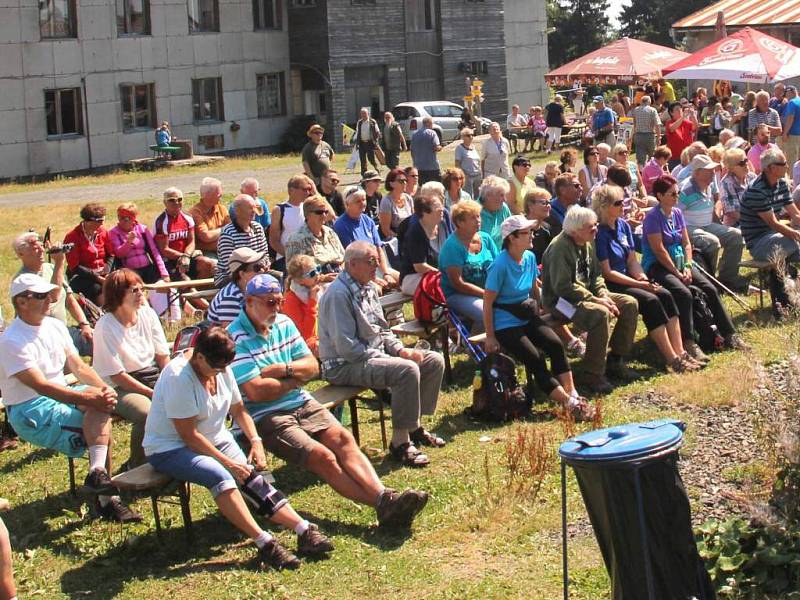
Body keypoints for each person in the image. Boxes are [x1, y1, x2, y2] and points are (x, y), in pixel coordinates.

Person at [230, 273, 429, 527]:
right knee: (323, 457)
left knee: (343, 440)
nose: (277, 308)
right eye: (270, 302)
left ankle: (384, 497)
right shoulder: (235, 338)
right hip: (265, 415)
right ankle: (384, 504)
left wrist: (282, 370)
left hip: (300, 401)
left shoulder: (283, 323)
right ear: (249, 302)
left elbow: (312, 367)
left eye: (279, 301)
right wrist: (296, 378)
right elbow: (257, 392)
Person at [143, 326, 333, 570]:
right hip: (170, 447)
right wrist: (229, 463)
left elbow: (238, 408)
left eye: (224, 367)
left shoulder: (220, 366)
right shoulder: (178, 377)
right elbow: (189, 436)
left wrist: (256, 441)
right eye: (217, 368)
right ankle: (265, 543)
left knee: (252, 478)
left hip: (213, 437)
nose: (222, 372)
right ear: (199, 357)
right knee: (220, 475)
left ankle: (303, 529)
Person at [0, 273, 139, 522]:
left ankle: (97, 477)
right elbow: (40, 386)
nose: (50, 300)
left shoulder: (54, 326)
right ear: (21, 302)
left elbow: (79, 367)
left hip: (59, 393)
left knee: (100, 407)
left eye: (51, 295)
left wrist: (104, 391)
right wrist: (91, 399)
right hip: (29, 409)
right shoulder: (11, 341)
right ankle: (106, 500)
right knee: (99, 428)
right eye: (41, 296)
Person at [319, 242, 446, 467]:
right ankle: (400, 443)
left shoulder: (367, 287)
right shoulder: (338, 295)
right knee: (405, 369)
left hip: (369, 356)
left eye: (377, 261)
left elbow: (383, 330)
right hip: (342, 365)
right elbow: (347, 348)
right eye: (371, 262)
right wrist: (391, 359)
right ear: (352, 264)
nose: (376, 266)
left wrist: (400, 349)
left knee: (433, 361)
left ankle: (414, 427)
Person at [483, 215, 593, 416]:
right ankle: (568, 403)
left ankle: (573, 393)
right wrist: (490, 336)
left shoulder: (530, 258)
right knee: (534, 357)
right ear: (512, 238)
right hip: (505, 323)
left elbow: (534, 289)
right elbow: (488, 302)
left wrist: (541, 311)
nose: (532, 235)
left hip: (526, 316)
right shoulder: (499, 265)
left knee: (555, 344)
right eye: (527, 232)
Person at [592, 185, 700, 373]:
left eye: (624, 202)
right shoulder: (599, 233)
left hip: (630, 277)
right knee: (650, 301)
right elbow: (607, 272)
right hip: (612, 283)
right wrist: (640, 284)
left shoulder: (623, 226)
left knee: (665, 294)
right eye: (618, 203)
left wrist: (644, 279)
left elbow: (632, 260)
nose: (624, 206)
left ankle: (681, 351)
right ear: (604, 206)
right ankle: (671, 358)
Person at [643, 175, 746, 362]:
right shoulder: (652, 218)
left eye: (678, 193)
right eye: (672, 194)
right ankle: (689, 342)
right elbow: (658, 250)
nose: (677, 197)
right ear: (659, 195)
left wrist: (688, 266)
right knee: (684, 293)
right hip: (659, 265)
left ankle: (730, 334)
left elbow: (687, 244)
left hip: (682, 262)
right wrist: (677, 272)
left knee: (710, 288)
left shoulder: (676, 214)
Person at [541, 207, 639, 394]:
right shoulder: (559, 248)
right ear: (575, 230)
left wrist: (602, 295)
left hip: (586, 294)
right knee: (599, 314)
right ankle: (592, 373)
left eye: (595, 225)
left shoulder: (587, 242)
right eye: (590, 227)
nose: (596, 229)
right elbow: (562, 287)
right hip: (560, 302)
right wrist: (596, 300)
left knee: (628, 303)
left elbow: (596, 276)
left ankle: (615, 359)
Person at [92, 269, 169, 469]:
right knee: (147, 412)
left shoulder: (147, 313)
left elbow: (162, 355)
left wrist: (170, 381)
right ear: (118, 295)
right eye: (134, 290)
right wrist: (152, 393)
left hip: (149, 374)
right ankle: (136, 466)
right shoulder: (105, 326)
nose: (141, 294)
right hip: (117, 386)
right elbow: (117, 375)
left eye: (141, 289)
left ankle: (169, 457)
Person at [740, 147, 800, 319]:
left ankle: (783, 303)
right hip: (759, 243)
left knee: (786, 249)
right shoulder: (756, 191)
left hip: (775, 238)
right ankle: (783, 304)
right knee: (791, 243)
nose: (787, 166)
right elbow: (773, 223)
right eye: (783, 164)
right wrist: (796, 235)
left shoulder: (781, 184)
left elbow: (794, 213)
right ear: (771, 168)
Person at [13, 231, 93, 357]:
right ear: (20, 254)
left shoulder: (50, 268)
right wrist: (60, 263)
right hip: (40, 337)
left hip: (62, 329)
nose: (41, 250)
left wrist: (84, 324)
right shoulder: (23, 280)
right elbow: (52, 298)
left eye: (41, 246)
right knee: (70, 363)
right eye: (35, 248)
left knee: (100, 342)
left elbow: (70, 300)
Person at [679, 154, 746, 291]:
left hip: (707, 225)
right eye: (708, 170)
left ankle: (728, 280)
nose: (712, 173)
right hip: (688, 227)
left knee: (736, 235)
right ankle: (708, 282)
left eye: (712, 170)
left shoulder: (708, 186)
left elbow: (711, 211)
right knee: (711, 241)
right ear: (697, 173)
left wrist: (721, 227)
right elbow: (674, 215)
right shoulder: (686, 190)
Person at [438, 199, 498, 331]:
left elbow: (498, 266)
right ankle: (476, 348)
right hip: (457, 295)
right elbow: (458, 283)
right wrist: (487, 295)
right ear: (460, 222)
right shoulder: (452, 246)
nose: (478, 220)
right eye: (472, 218)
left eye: (478, 216)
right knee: (485, 313)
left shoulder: (485, 238)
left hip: (488, 291)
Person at [334, 186, 400, 288]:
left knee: (401, 279)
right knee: (377, 289)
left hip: (377, 266)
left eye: (363, 199)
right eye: (357, 201)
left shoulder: (368, 221)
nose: (362, 203)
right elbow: (353, 257)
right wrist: (374, 278)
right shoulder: (341, 225)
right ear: (347, 205)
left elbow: (378, 248)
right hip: (359, 271)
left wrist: (386, 273)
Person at [154, 187, 215, 282]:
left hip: (187, 256)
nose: (176, 203)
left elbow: (191, 242)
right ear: (165, 203)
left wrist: (186, 256)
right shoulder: (161, 222)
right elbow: (164, 250)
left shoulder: (187, 217)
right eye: (172, 200)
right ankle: (192, 293)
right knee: (185, 280)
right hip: (170, 261)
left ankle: (199, 291)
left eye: (179, 199)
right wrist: (182, 257)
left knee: (209, 264)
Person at [63, 203, 114, 305]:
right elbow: (75, 266)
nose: (102, 224)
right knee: (98, 289)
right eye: (100, 221)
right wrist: (98, 278)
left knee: (120, 284)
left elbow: (111, 254)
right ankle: (104, 313)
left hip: (102, 273)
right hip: (80, 276)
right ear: (89, 221)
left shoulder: (103, 232)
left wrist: (107, 269)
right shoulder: (72, 237)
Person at [109, 203, 170, 285]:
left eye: (127, 218)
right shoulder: (114, 232)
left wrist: (164, 273)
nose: (124, 221)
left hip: (147, 268)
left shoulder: (142, 229)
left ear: (133, 218)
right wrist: (129, 242)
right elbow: (119, 254)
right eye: (120, 217)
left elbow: (154, 252)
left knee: (161, 284)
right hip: (129, 271)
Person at [284, 195, 345, 277]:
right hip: (315, 283)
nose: (324, 215)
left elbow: (343, 257)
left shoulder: (330, 232)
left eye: (326, 212)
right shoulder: (297, 239)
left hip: (339, 276)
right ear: (307, 215)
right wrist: (322, 278)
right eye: (319, 212)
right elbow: (294, 273)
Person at [215, 194, 269, 287]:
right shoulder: (228, 233)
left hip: (257, 272)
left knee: (278, 278)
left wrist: (265, 266)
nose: (254, 211)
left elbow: (265, 254)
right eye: (250, 208)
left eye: (254, 207)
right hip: (232, 277)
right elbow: (229, 267)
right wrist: (253, 273)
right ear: (238, 211)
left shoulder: (258, 228)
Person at [207, 248, 268, 326]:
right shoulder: (231, 297)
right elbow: (230, 333)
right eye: (257, 267)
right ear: (242, 274)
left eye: (262, 265)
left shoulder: (253, 289)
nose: (262, 270)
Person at [398, 193, 445, 296]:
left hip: (435, 275)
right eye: (437, 208)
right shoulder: (415, 232)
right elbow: (419, 266)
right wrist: (444, 275)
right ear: (425, 213)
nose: (442, 210)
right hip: (413, 277)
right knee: (445, 286)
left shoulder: (442, 226)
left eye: (441, 206)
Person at [269, 174, 316, 272]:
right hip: (285, 260)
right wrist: (291, 257)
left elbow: (331, 216)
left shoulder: (309, 208)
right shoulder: (279, 210)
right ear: (291, 190)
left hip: (309, 259)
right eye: (304, 189)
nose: (307, 193)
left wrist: (316, 193)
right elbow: (274, 241)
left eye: (309, 189)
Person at [284, 255, 322, 356]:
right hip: (305, 344)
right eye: (312, 273)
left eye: (318, 269)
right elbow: (307, 334)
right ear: (300, 281)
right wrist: (312, 302)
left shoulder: (315, 287)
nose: (317, 274)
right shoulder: (290, 300)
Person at [189, 177, 230, 261]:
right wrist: (224, 229)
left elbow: (232, 229)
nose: (221, 194)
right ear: (208, 195)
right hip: (206, 252)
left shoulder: (221, 208)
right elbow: (206, 236)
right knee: (215, 264)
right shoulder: (195, 212)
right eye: (218, 192)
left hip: (224, 248)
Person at [719, 147, 756, 227]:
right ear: (731, 168)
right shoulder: (727, 183)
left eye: (746, 160)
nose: (746, 164)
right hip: (737, 225)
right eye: (742, 163)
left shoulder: (752, 177)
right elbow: (734, 213)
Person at [379, 169, 415, 240]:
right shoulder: (386, 201)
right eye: (401, 181)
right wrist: (401, 239)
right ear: (391, 183)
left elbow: (414, 220)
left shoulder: (408, 198)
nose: (404, 183)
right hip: (395, 238)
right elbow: (386, 230)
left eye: (405, 181)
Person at [479, 175, 512, 248]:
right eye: (501, 195)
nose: (504, 199)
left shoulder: (503, 208)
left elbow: (511, 232)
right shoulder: (474, 212)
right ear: (488, 195)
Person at [665, 102, 699, 171]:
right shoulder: (669, 122)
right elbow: (672, 128)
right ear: (671, 113)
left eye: (680, 109)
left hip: (687, 156)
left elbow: (695, 127)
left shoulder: (686, 122)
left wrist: (693, 115)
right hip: (675, 158)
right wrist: (683, 117)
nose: (680, 110)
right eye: (677, 109)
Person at [410, 116, 442, 184]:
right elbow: (436, 147)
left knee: (423, 188)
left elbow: (412, 151)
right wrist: (440, 147)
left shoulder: (414, 134)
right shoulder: (432, 133)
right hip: (432, 167)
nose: (432, 125)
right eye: (432, 123)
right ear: (428, 123)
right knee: (436, 186)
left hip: (419, 167)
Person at [630, 96, 661, 166]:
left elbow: (634, 124)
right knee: (653, 157)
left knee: (640, 159)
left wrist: (631, 136)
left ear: (641, 101)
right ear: (649, 101)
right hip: (649, 136)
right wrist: (659, 137)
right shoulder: (652, 110)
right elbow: (657, 124)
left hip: (638, 136)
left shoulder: (636, 110)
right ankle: (651, 171)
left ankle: (641, 173)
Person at [454, 128, 482, 199]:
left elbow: (477, 161)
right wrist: (463, 175)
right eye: (468, 135)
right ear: (463, 137)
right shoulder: (459, 148)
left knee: (478, 196)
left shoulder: (473, 147)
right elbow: (457, 164)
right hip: (467, 176)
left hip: (477, 175)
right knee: (468, 196)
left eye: (472, 135)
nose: (471, 137)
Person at [355, 107, 381, 176]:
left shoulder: (373, 122)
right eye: (362, 114)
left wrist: (376, 141)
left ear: (368, 114)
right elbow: (358, 133)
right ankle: (363, 175)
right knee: (363, 161)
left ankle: (377, 170)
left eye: (364, 113)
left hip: (370, 143)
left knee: (371, 159)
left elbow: (378, 132)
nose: (363, 115)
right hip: (362, 143)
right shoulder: (359, 122)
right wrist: (357, 143)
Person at [780, 85, 800, 167]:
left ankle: (793, 179)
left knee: (792, 161)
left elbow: (790, 119)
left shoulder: (792, 102)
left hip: (793, 136)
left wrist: (785, 133)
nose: (786, 97)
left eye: (786, 94)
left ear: (790, 92)